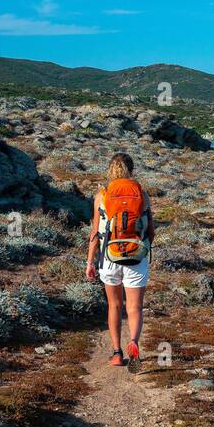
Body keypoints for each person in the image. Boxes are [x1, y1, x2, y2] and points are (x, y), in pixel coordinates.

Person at [86, 152, 154, 366]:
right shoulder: (142, 193)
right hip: (136, 256)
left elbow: (95, 233)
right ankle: (133, 342)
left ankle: (116, 353)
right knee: (134, 307)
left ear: (110, 170)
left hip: (109, 257)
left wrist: (90, 262)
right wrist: (145, 249)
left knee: (114, 305)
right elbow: (151, 231)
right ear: (131, 170)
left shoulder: (102, 195)